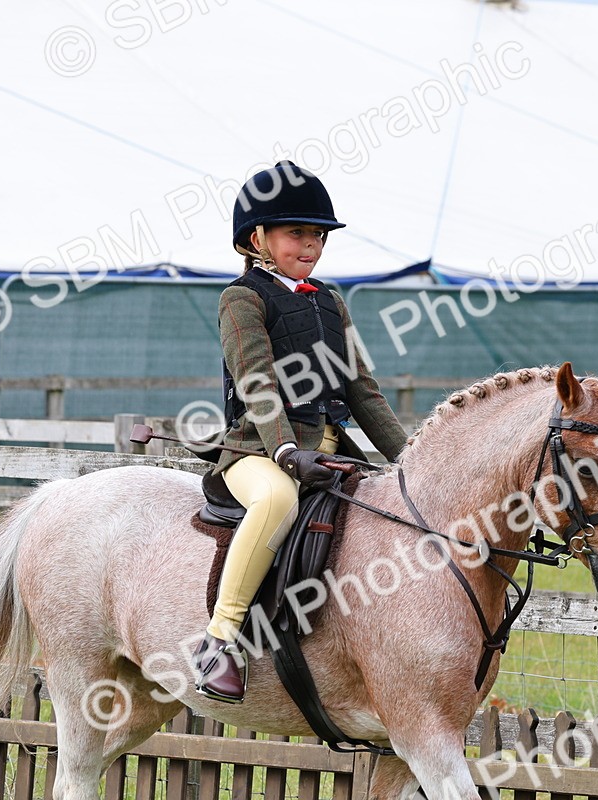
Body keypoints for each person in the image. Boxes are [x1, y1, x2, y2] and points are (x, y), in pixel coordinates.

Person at [195, 161, 407, 704]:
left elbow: (363, 391)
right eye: (298, 233)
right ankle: (220, 641)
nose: (311, 244)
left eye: (318, 235)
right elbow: (258, 384)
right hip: (258, 451)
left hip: (332, 451)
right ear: (257, 238)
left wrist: (413, 458)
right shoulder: (241, 299)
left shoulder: (330, 302)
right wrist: (287, 452)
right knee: (277, 502)